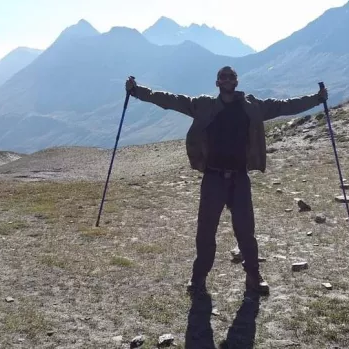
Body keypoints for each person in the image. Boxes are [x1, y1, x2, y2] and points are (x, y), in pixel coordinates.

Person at [125, 66, 327, 296]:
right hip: (213, 177)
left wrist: (316, 99)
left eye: (231, 76)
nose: (228, 80)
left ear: (236, 81)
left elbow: (284, 106)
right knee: (206, 231)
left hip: (240, 177)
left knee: (246, 231)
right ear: (217, 82)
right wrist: (137, 91)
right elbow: (171, 100)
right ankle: (198, 279)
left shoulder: (253, 107)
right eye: (224, 76)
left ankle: (253, 276)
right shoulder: (204, 105)